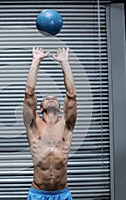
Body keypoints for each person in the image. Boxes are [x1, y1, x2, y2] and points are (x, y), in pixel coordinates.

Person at [23, 47, 77, 200]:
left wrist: (65, 64)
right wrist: (35, 62)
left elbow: (71, 96)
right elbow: (28, 94)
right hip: (38, 193)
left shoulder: (67, 126)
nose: (52, 98)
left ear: (61, 108)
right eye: (47, 98)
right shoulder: (33, 126)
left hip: (62, 193)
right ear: (40, 108)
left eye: (55, 98)